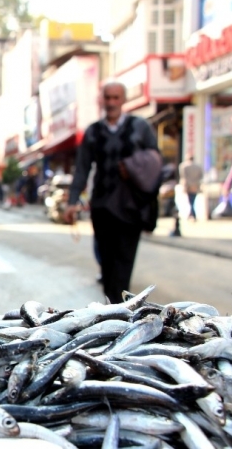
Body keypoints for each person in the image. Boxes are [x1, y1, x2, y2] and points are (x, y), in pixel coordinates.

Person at [64, 82, 159, 304]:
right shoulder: (94, 132)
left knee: (124, 262)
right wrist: (72, 201)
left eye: (116, 98)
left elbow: (155, 162)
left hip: (130, 207)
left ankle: (121, 309)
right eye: (108, 98)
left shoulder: (140, 128)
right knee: (107, 263)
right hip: (102, 206)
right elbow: (82, 169)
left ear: (123, 99)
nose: (112, 102)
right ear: (102, 100)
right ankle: (111, 308)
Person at [179, 156, 203, 220]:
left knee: (190, 200)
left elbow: (183, 176)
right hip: (195, 185)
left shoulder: (184, 166)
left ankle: (192, 214)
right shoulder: (198, 167)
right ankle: (191, 213)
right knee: (192, 200)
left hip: (188, 186)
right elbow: (201, 176)